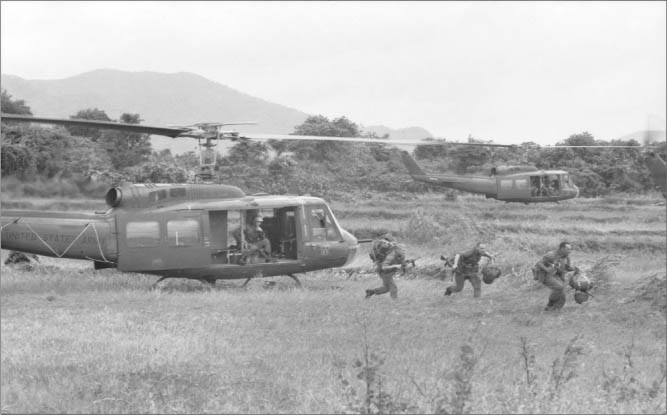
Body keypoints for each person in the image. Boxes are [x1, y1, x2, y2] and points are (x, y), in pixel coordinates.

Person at [533, 241, 575, 311]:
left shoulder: (566, 258)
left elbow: (567, 267)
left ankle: (555, 310)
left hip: (555, 275)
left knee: (562, 296)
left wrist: (574, 269)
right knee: (559, 287)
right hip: (544, 274)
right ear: (562, 249)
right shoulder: (551, 255)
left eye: (570, 249)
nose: (570, 251)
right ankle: (550, 305)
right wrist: (546, 269)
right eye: (568, 249)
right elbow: (539, 263)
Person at [365, 233, 405, 300]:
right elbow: (384, 267)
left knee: (386, 288)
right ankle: (395, 300)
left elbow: (398, 260)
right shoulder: (391, 254)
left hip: (386, 272)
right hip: (385, 272)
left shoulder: (395, 252)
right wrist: (396, 266)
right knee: (393, 287)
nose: (403, 249)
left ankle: (371, 292)